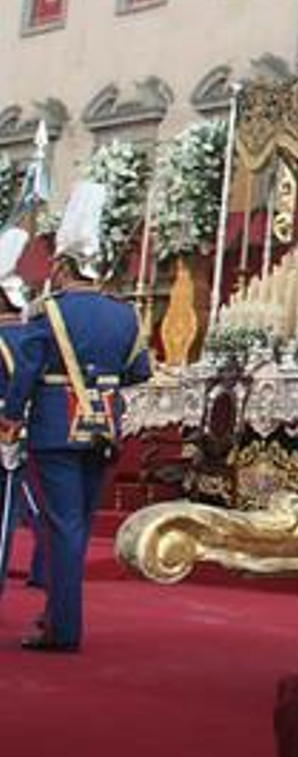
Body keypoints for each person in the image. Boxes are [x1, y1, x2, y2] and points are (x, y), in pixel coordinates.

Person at [0, 184, 151, 651]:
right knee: (79, 523)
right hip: (105, 427)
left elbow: (25, 370)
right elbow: (138, 371)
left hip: (55, 426)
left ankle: (64, 627)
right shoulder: (125, 315)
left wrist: (11, 418)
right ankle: (58, 617)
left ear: (63, 267)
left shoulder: (51, 312)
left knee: (62, 524)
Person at [0, 227, 46, 597]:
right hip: (36, 424)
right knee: (33, 502)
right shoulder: (32, 332)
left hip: (6, 425)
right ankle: (44, 567)